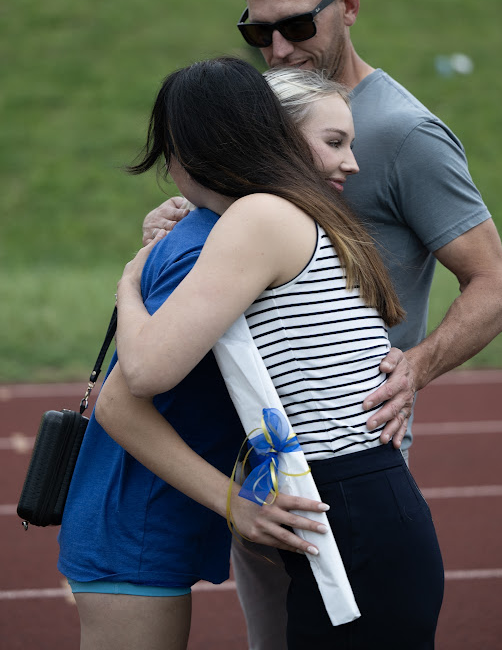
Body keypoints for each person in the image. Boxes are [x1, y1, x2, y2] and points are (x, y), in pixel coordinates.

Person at [141, 0, 502, 650]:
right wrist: (179, 213)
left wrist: (416, 367)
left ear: (347, 3)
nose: (278, 49)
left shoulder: (404, 132)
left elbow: (496, 285)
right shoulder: (265, 114)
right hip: (256, 457)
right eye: (258, 31)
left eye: (295, 25)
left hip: (349, 458)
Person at [93, 56, 443, 649]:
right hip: (361, 501)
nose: (350, 161)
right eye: (333, 141)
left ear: (187, 149)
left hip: (349, 506)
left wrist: (131, 283)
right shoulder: (306, 215)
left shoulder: (261, 217)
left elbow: (147, 372)